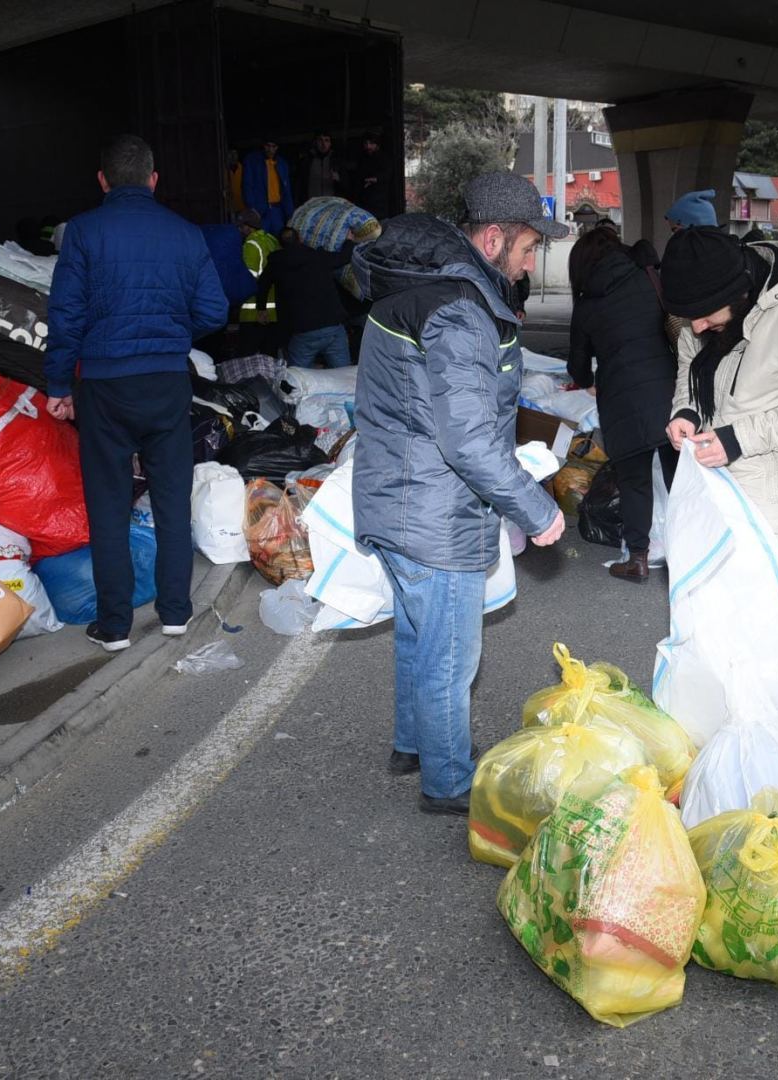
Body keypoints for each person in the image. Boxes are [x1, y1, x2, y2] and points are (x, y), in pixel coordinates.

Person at [351, 171, 568, 815]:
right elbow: (469, 440)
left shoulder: (417, 289)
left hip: (397, 495)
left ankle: (412, 744)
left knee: (418, 634)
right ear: (493, 238)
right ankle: (447, 779)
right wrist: (538, 509)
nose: (530, 264)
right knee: (450, 655)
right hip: (433, 510)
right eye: (528, 248)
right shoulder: (460, 312)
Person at [44, 134, 227, 652]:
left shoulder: (83, 231)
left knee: (108, 505)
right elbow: (214, 310)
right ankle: (175, 612)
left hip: (103, 386)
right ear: (153, 179)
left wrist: (58, 384)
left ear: (103, 180)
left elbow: (66, 315)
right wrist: (169, 336)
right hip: (166, 383)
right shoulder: (185, 233)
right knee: (171, 498)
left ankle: (115, 625)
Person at [661, 228, 778, 584]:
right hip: (718, 498)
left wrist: (738, 438)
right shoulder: (706, 306)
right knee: (713, 613)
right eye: (689, 317)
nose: (697, 327)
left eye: (704, 315)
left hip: (777, 511)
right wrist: (687, 410)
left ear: (739, 291)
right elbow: (690, 363)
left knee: (762, 619)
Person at [566, 227, 679, 583]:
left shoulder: (587, 304)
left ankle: (638, 559)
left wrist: (589, 378)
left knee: (635, 483)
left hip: (621, 401)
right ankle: (694, 552)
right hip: (669, 393)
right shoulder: (648, 277)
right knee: (680, 479)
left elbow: (578, 368)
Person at [254, 227, 353, 368]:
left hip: (301, 331)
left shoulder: (276, 263)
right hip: (332, 326)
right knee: (344, 374)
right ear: (300, 239)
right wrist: (349, 241)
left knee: (298, 377)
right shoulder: (318, 257)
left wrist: (261, 309)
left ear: (280, 244)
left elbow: (263, 285)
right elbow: (344, 257)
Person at [235, 209, 280, 356]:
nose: (239, 230)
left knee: (247, 359)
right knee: (270, 358)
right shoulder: (271, 240)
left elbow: (248, 279)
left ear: (249, 226)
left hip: (253, 312)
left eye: (241, 226)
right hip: (274, 310)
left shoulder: (250, 244)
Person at [241, 139, 294, 235]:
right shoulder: (253, 161)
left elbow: (286, 191)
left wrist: (289, 213)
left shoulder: (282, 164)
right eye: (268, 146)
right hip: (260, 211)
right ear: (263, 146)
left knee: (278, 238)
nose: (270, 149)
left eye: (274, 146)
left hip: (277, 210)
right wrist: (252, 207)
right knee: (260, 238)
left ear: (277, 147)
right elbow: (247, 184)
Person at [354, 131, 391, 220]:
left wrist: (375, 179)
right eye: (366, 143)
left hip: (379, 203)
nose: (368, 146)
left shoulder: (384, 158)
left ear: (377, 144)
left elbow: (387, 175)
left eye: (371, 143)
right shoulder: (362, 159)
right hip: (364, 203)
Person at [300, 132, 341, 201]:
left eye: (326, 140)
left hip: (331, 203)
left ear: (330, 143)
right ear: (315, 142)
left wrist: (339, 179)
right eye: (320, 140)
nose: (323, 144)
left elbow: (346, 185)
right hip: (312, 202)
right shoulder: (308, 160)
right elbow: (301, 184)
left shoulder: (336, 160)